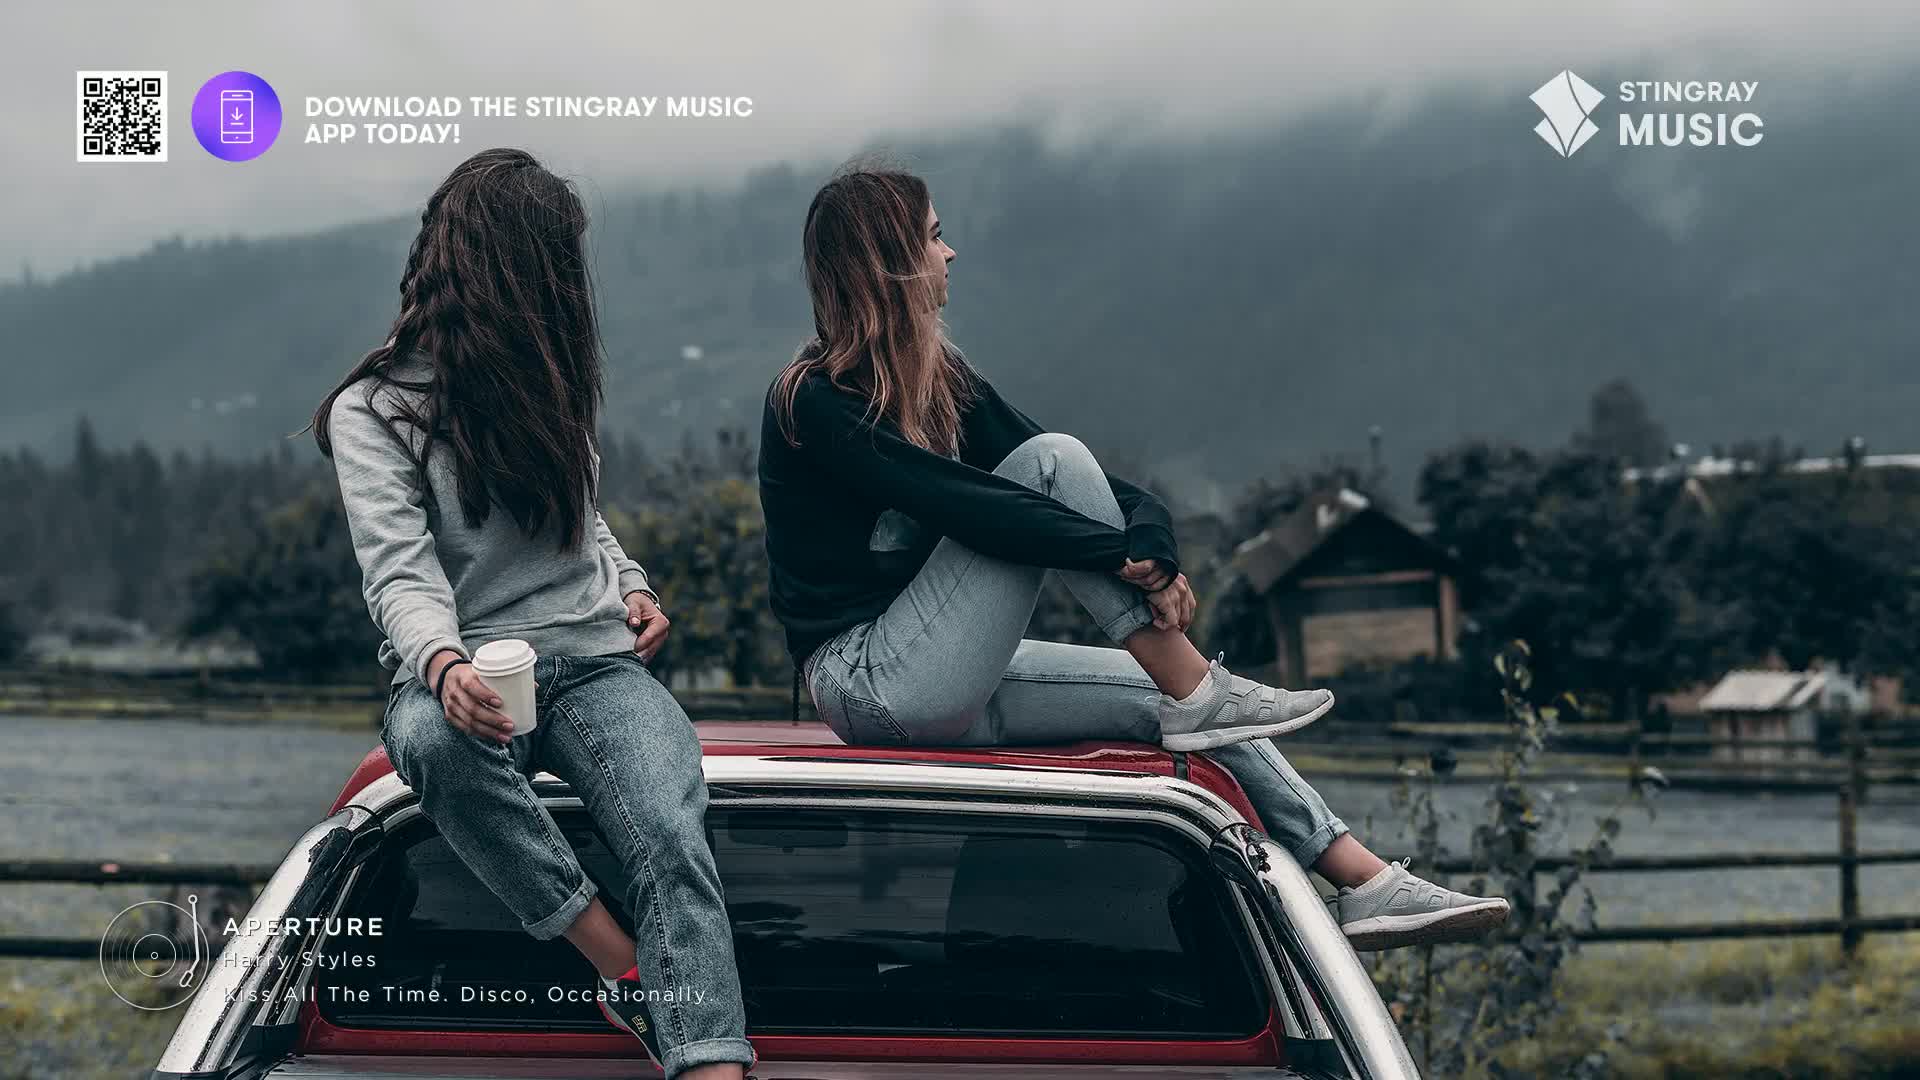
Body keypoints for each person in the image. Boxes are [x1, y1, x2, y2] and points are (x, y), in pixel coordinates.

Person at [757, 163, 1510, 951]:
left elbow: (1095, 487)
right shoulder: (812, 399)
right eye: (936, 237)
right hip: (869, 680)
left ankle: (1365, 881)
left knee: (1177, 712)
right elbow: (973, 506)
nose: (952, 255)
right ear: (892, 262)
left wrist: (1151, 541)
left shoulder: (939, 379)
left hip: (947, 671)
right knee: (1051, 465)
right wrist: (1121, 556)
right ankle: (1196, 685)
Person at [306, 148, 754, 1078]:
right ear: (510, 269)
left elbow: (581, 521)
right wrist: (443, 666)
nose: (570, 286)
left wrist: (632, 585)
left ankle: (712, 1061)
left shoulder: (546, 385)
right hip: (467, 670)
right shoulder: (375, 410)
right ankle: (620, 964)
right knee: (429, 744)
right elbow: (399, 572)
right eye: (557, 262)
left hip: (596, 663)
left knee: (671, 832)